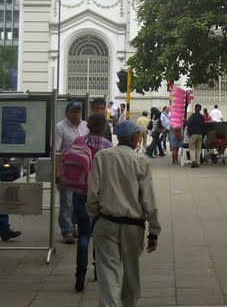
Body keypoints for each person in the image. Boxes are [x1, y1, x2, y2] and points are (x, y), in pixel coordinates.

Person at [87, 120, 161, 307]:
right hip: (133, 226)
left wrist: (95, 216)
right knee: (131, 272)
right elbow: (148, 200)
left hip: (105, 222)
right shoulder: (140, 161)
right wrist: (153, 231)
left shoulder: (102, 157)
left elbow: (92, 193)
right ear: (134, 137)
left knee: (108, 272)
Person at [67, 112, 113, 293]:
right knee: (99, 234)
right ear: (103, 128)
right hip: (100, 195)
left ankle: (80, 273)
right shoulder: (108, 146)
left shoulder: (79, 141)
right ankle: (97, 269)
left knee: (84, 233)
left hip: (80, 192)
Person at [54, 100, 88, 244]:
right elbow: (55, 151)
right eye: (73, 111)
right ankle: (66, 231)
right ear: (67, 112)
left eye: (78, 111)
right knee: (67, 202)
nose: (76, 114)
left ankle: (75, 226)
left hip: (82, 171)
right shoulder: (60, 127)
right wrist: (57, 171)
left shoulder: (85, 126)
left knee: (79, 202)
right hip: (66, 170)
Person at [186, 104, 206, 168]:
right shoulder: (202, 117)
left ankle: (193, 161)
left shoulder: (193, 116)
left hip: (193, 134)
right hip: (200, 135)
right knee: (198, 149)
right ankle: (198, 162)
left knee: (192, 148)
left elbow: (188, 124)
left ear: (195, 108)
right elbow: (203, 126)